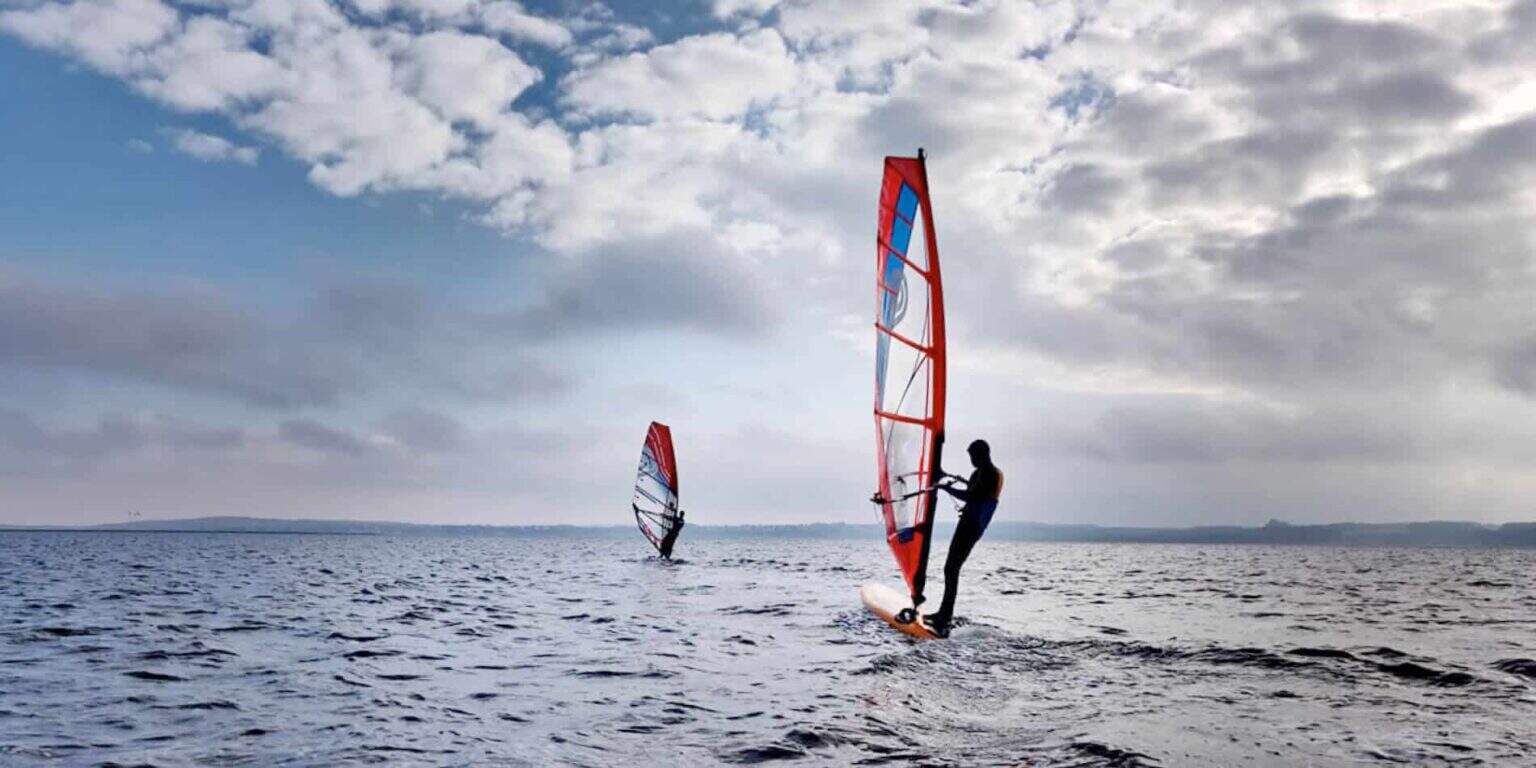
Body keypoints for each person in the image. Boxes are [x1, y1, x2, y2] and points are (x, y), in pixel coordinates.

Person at [925, 439, 1002, 637]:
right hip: (967, 523)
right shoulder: (978, 473)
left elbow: (972, 496)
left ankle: (945, 616)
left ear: (982, 454)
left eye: (973, 456)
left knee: (951, 568)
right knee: (950, 568)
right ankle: (944, 614)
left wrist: (945, 488)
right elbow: (972, 491)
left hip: (972, 527)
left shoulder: (991, 474)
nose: (971, 460)